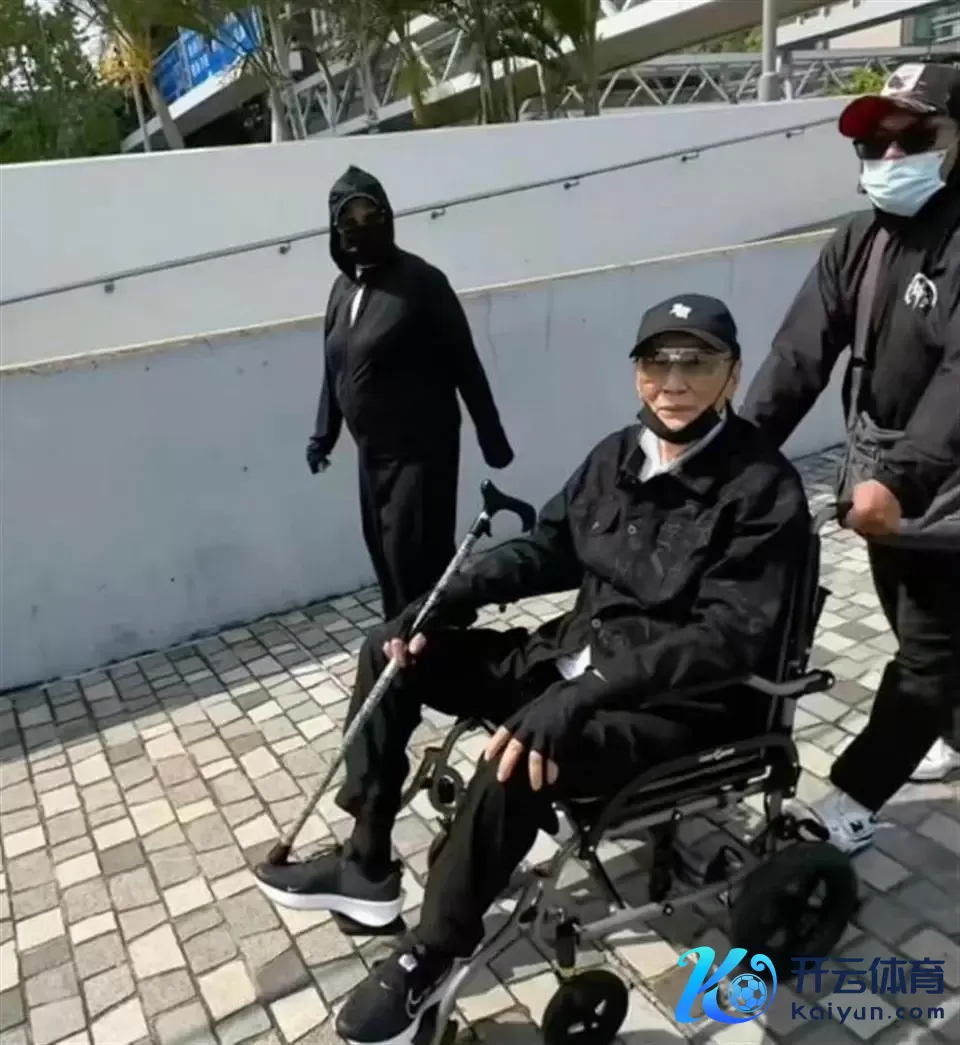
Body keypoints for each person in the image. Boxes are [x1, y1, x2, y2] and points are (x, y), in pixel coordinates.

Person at [259, 293, 811, 1045]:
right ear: (637, 372)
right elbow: (548, 547)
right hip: (566, 659)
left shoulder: (763, 488)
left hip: (670, 707)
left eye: (698, 362)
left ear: (733, 373)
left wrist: (586, 694)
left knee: (517, 752)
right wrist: (445, 599)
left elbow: (727, 639)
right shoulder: (617, 456)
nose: (675, 381)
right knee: (395, 652)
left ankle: (431, 954)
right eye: (657, 362)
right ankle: (367, 862)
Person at [740, 63, 960, 854]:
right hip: (878, 480)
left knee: (929, 657)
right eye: (873, 141)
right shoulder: (857, 240)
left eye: (912, 136)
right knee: (913, 625)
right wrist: (733, 453)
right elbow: (799, 355)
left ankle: (856, 798)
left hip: (942, 488)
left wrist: (899, 479)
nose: (890, 155)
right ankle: (946, 726)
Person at [306, 166, 514, 621]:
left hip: (421, 450)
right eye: (349, 221)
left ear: (387, 216)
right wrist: (324, 435)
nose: (361, 228)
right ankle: (407, 641)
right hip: (371, 455)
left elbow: (464, 361)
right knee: (385, 557)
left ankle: (440, 644)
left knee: (415, 558)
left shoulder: (421, 282)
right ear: (335, 230)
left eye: (370, 216)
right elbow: (334, 366)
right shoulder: (342, 291)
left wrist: (491, 435)